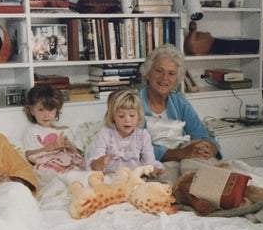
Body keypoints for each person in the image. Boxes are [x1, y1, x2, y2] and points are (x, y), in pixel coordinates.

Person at [138, 44, 221, 182]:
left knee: (205, 171)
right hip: (153, 166)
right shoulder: (132, 103)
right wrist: (180, 153)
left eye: (171, 73)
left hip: (184, 160)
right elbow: (133, 147)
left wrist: (211, 147)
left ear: (176, 79)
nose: (164, 78)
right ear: (148, 73)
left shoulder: (179, 102)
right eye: (159, 70)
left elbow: (200, 134)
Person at [85, 88, 165, 176]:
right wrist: (98, 163)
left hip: (135, 177)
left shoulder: (143, 136)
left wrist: (153, 170)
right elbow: (95, 159)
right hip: (111, 176)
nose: (127, 120)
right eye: (121, 116)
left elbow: (149, 162)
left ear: (139, 115)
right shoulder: (106, 133)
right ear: (112, 116)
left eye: (132, 115)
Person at [22, 84, 85, 173]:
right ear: (32, 110)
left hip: (68, 165)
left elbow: (79, 156)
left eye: (51, 110)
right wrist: (51, 147)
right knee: (48, 173)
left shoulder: (65, 130)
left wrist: (69, 146)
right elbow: (29, 155)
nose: (46, 115)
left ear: (56, 110)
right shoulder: (32, 131)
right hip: (48, 167)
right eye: (41, 110)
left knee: (79, 172)